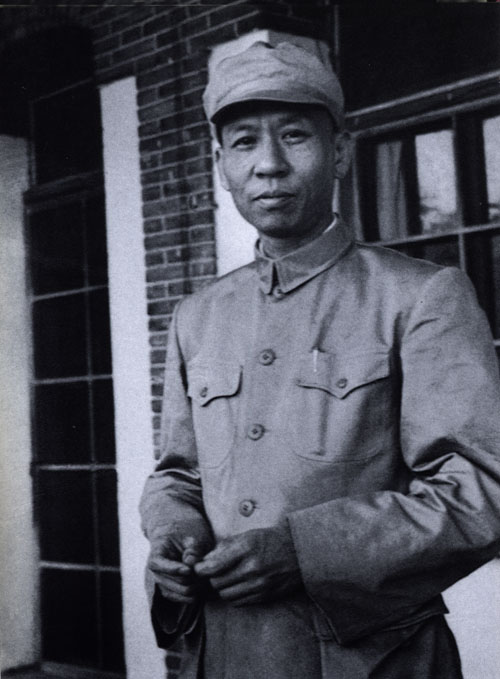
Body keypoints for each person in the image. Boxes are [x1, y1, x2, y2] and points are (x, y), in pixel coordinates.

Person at [140, 41, 500, 679]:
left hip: (372, 662)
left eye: (295, 136)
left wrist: (305, 552)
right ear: (221, 166)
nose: (269, 165)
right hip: (223, 655)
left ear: (339, 152)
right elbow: (178, 474)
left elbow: (481, 492)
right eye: (244, 142)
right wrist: (173, 530)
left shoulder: (421, 296)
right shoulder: (198, 316)